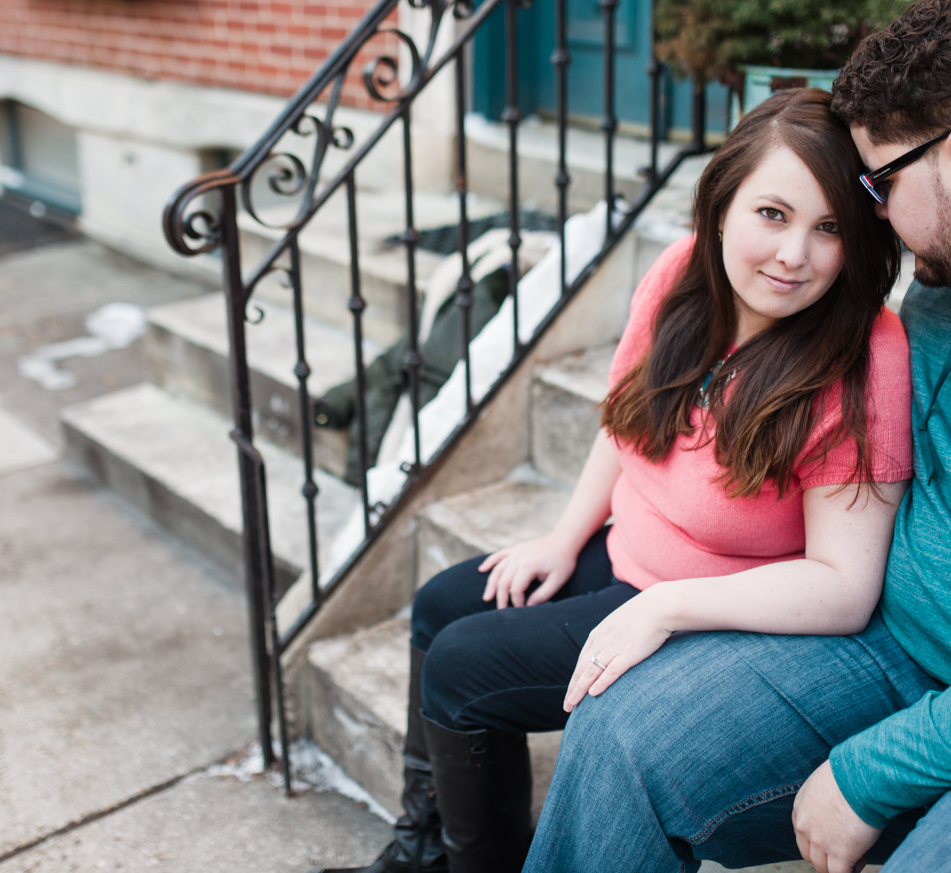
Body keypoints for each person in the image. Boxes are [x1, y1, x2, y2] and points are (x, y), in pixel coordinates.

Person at [521, 0, 951, 873]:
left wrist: (873, 769)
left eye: (878, 183)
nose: (874, 214)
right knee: (624, 733)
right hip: (890, 646)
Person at [321, 85, 913, 873]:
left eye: (829, 227)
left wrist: (668, 606)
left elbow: (845, 586)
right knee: (441, 606)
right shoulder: (682, 276)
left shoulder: (863, 359)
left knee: (466, 668)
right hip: (629, 550)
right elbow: (627, 417)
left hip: (720, 603)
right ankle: (426, 849)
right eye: (772, 214)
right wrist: (565, 537)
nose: (794, 254)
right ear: (722, 204)